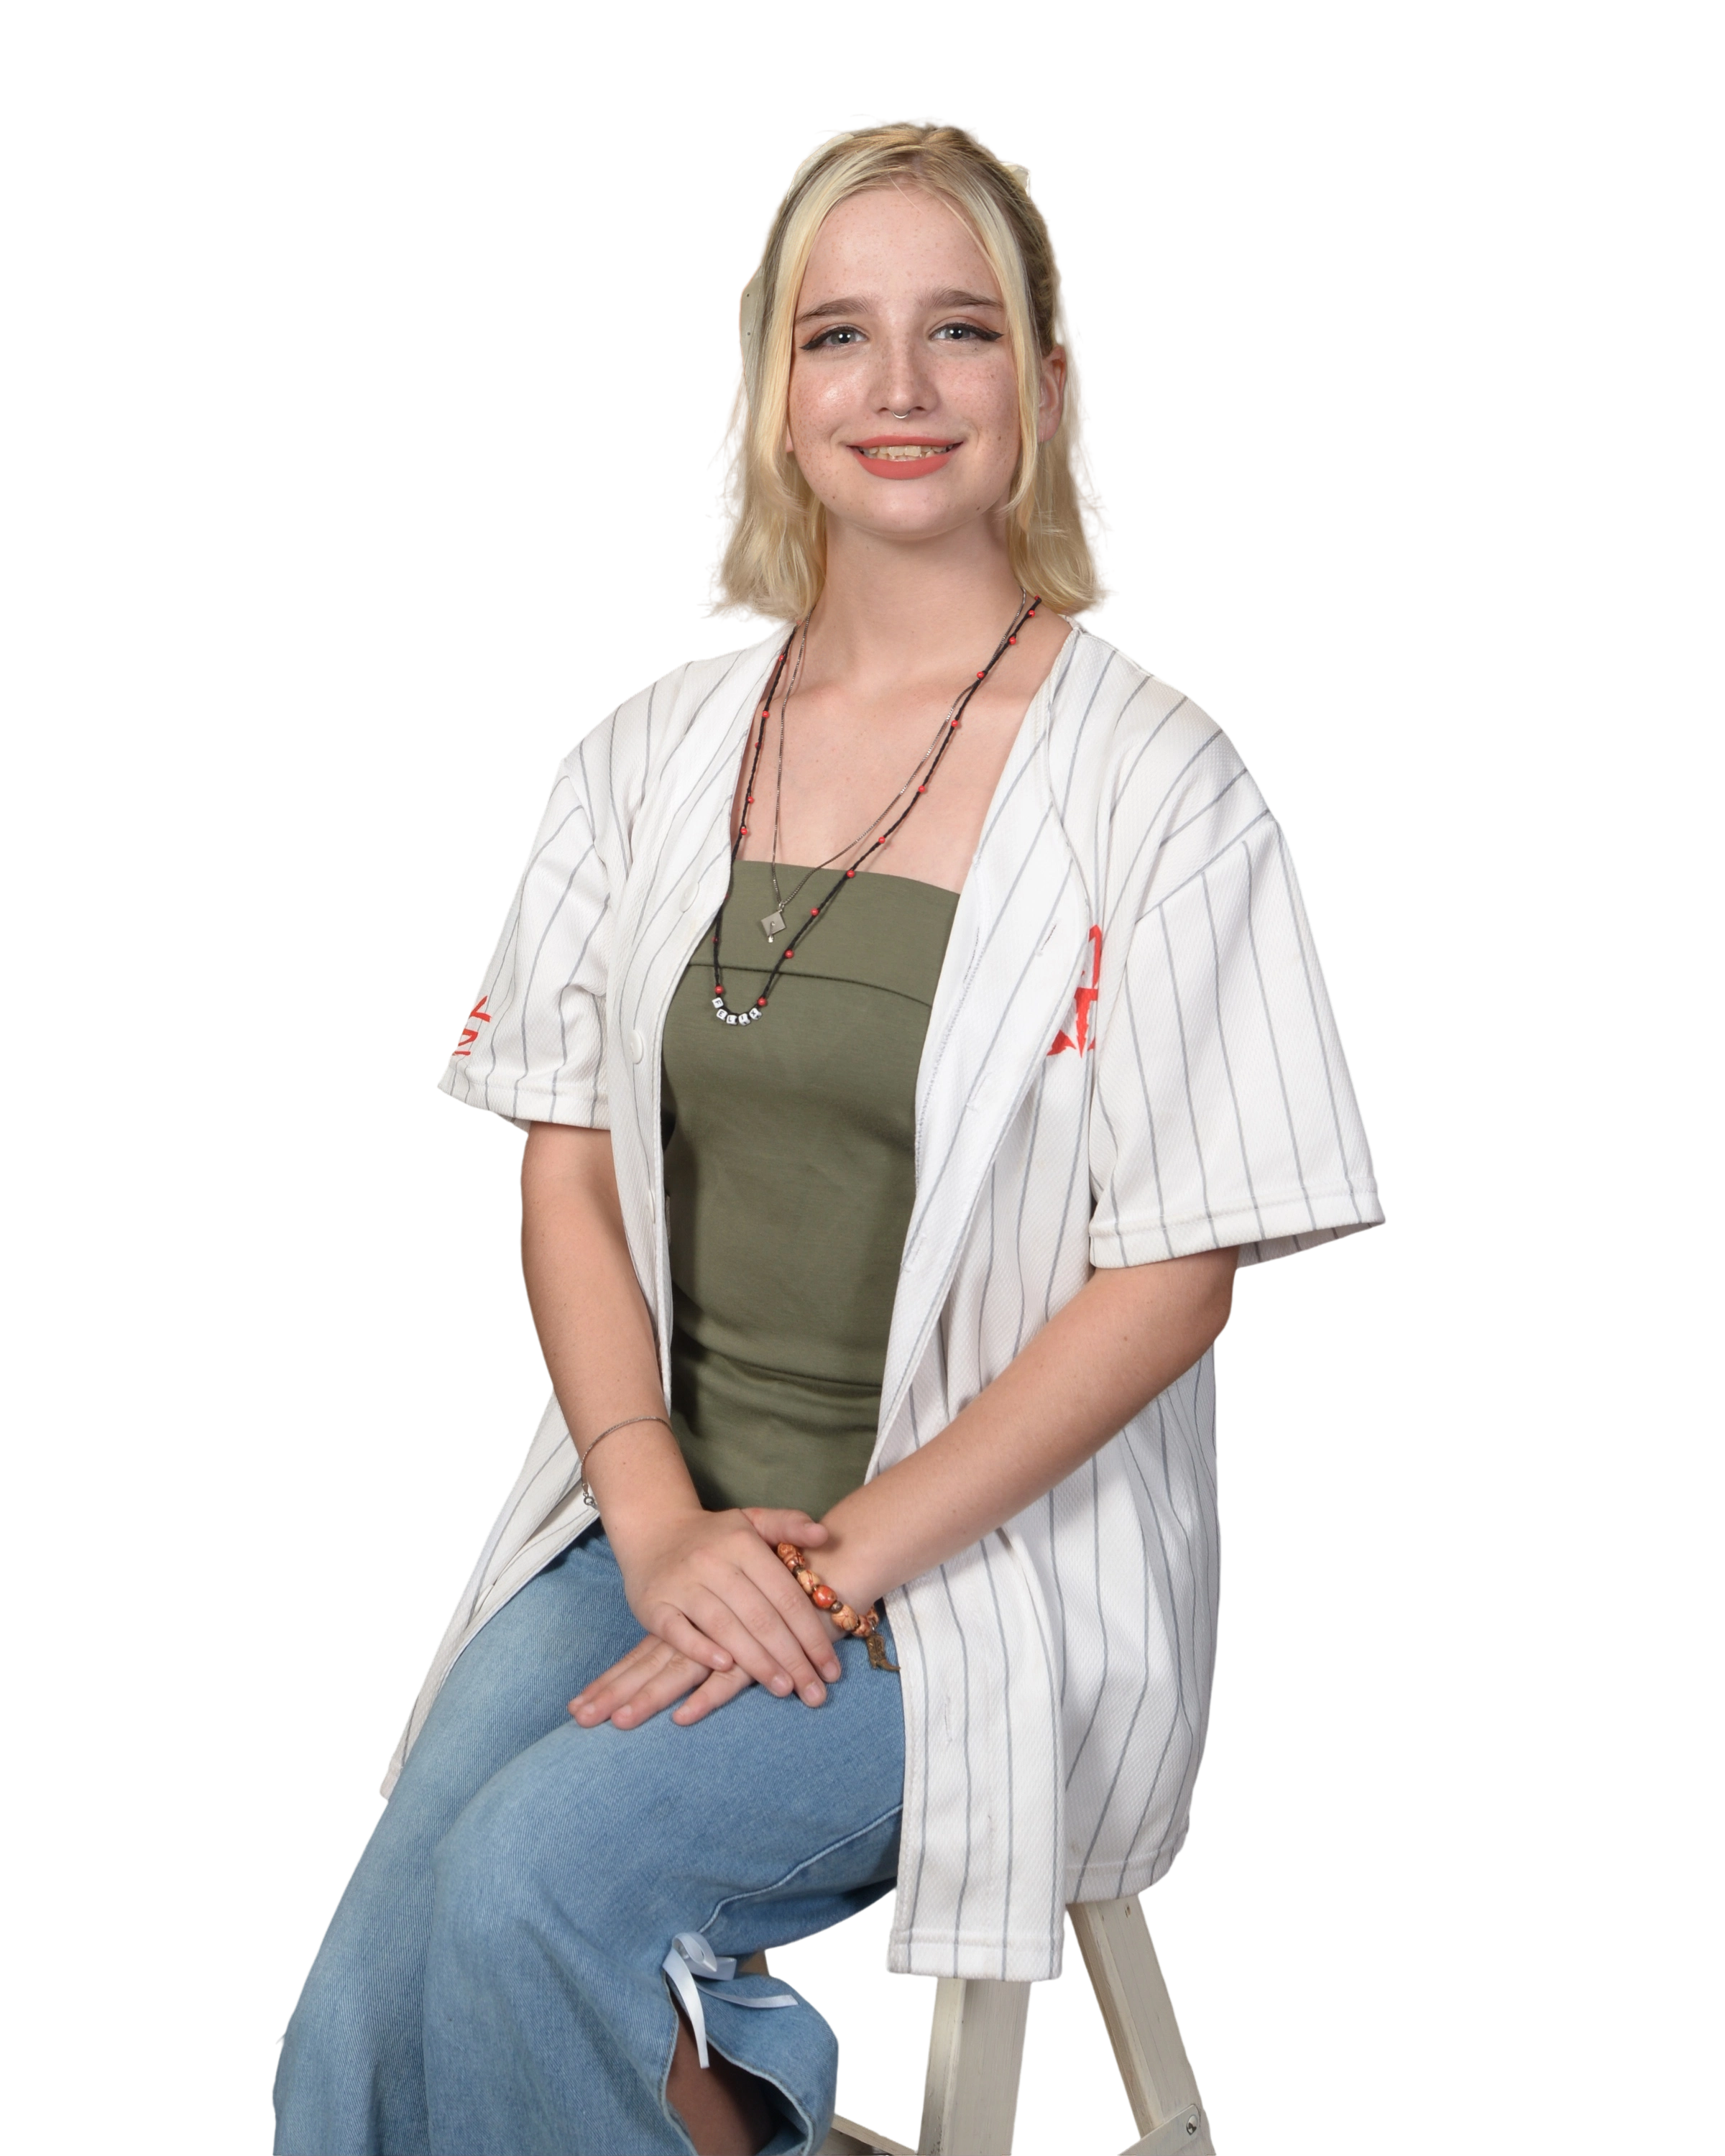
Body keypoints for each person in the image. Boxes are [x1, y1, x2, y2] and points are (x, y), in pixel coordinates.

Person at [272, 116, 1384, 2156]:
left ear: (1048, 384)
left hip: (974, 1580)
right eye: (837, 333)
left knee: (529, 1895)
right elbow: (566, 1166)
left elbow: (1178, 1275)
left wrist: (844, 1564)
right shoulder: (644, 759)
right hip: (665, 1525)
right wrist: (661, 1519)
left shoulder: (1158, 789)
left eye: (962, 329)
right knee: (379, 1979)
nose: (899, 386)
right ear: (771, 393)